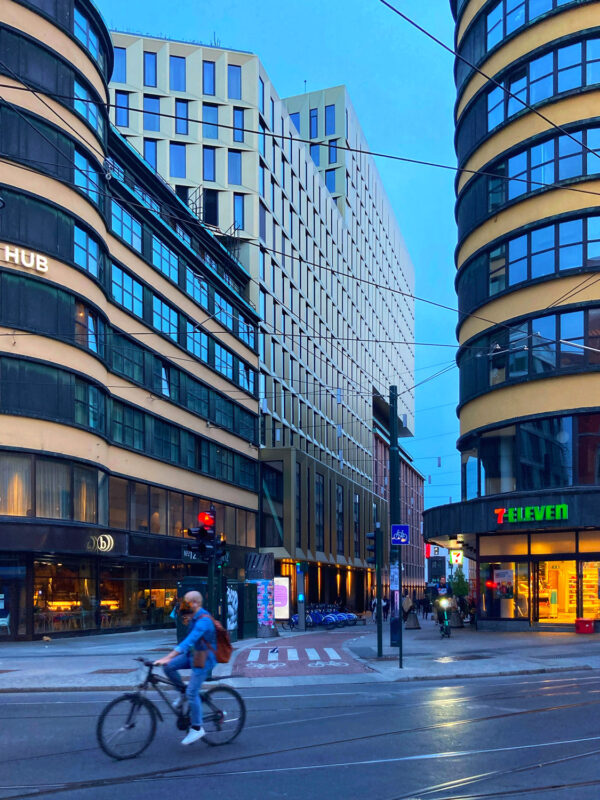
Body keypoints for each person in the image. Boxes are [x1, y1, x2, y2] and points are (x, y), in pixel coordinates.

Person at [155, 591, 216, 746]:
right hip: (192, 654)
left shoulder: (204, 621)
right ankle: (183, 692)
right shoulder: (193, 617)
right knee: (168, 668)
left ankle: (197, 728)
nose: (184, 604)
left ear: (195, 603)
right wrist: (169, 660)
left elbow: (190, 640)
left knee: (192, 692)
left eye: (187, 602)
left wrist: (168, 656)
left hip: (203, 657)